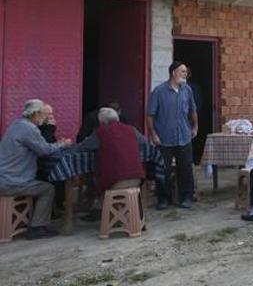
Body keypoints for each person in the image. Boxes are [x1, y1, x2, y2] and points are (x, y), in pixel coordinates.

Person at [0, 99, 71, 239]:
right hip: (12, 182)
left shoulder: (16, 124)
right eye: (43, 115)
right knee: (48, 189)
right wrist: (62, 144)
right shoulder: (29, 129)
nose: (45, 118)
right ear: (35, 114)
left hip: (4, 178)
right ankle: (37, 227)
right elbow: (44, 150)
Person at [75, 108, 146, 221]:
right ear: (118, 118)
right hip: (137, 179)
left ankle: (104, 213)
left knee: (96, 178)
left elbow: (81, 147)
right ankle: (119, 215)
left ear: (102, 122)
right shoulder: (131, 129)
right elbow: (144, 141)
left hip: (115, 182)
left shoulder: (100, 132)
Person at [147, 61, 198, 210]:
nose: (185, 74)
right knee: (163, 170)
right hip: (164, 138)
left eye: (186, 72)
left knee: (186, 169)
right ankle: (163, 199)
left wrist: (195, 126)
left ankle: (186, 197)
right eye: (182, 71)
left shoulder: (187, 90)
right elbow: (150, 115)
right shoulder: (159, 91)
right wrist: (153, 134)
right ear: (173, 73)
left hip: (184, 136)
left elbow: (192, 110)